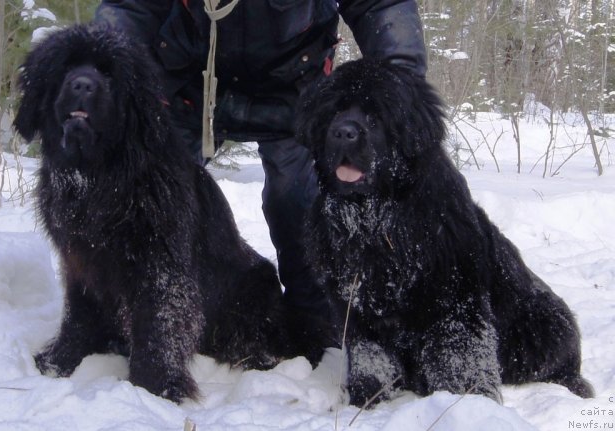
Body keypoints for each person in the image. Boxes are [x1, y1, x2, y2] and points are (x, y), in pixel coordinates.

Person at [94, 0, 427, 321]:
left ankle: (312, 317)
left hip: (293, 85)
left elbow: (379, 4)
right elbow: (132, 6)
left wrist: (402, 86)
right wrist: (101, 74)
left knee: (296, 199)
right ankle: (132, 310)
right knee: (151, 198)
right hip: (189, 82)